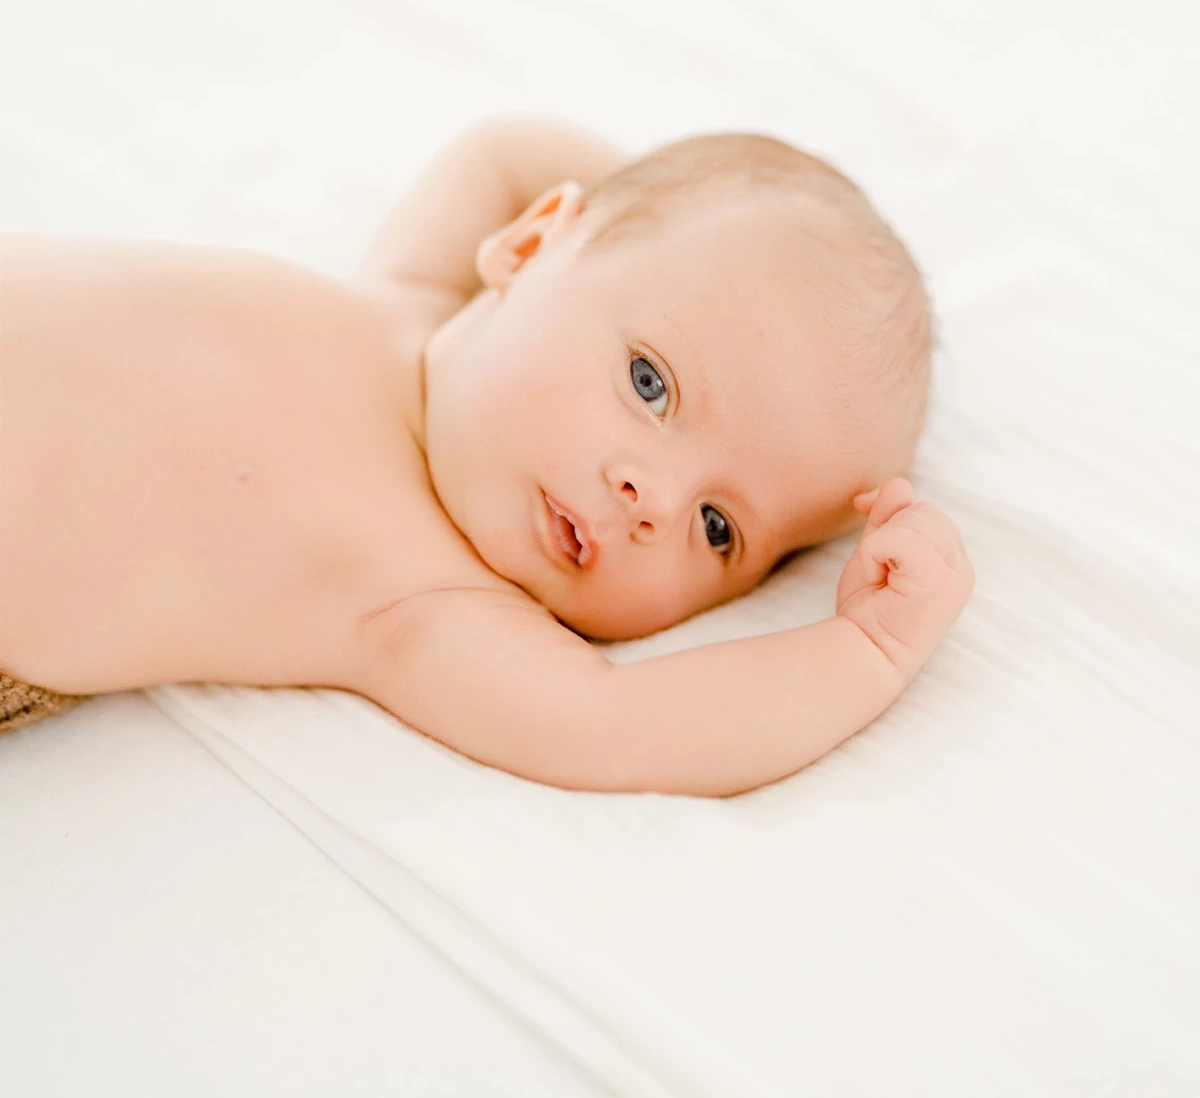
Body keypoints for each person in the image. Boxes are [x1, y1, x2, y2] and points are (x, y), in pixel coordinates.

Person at [0, 116, 973, 793]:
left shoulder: (424, 602)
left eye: (718, 529)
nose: (652, 500)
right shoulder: (411, 295)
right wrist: (670, 218)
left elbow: (613, 726)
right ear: (528, 245)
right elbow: (508, 150)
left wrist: (867, 653)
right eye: (650, 384)